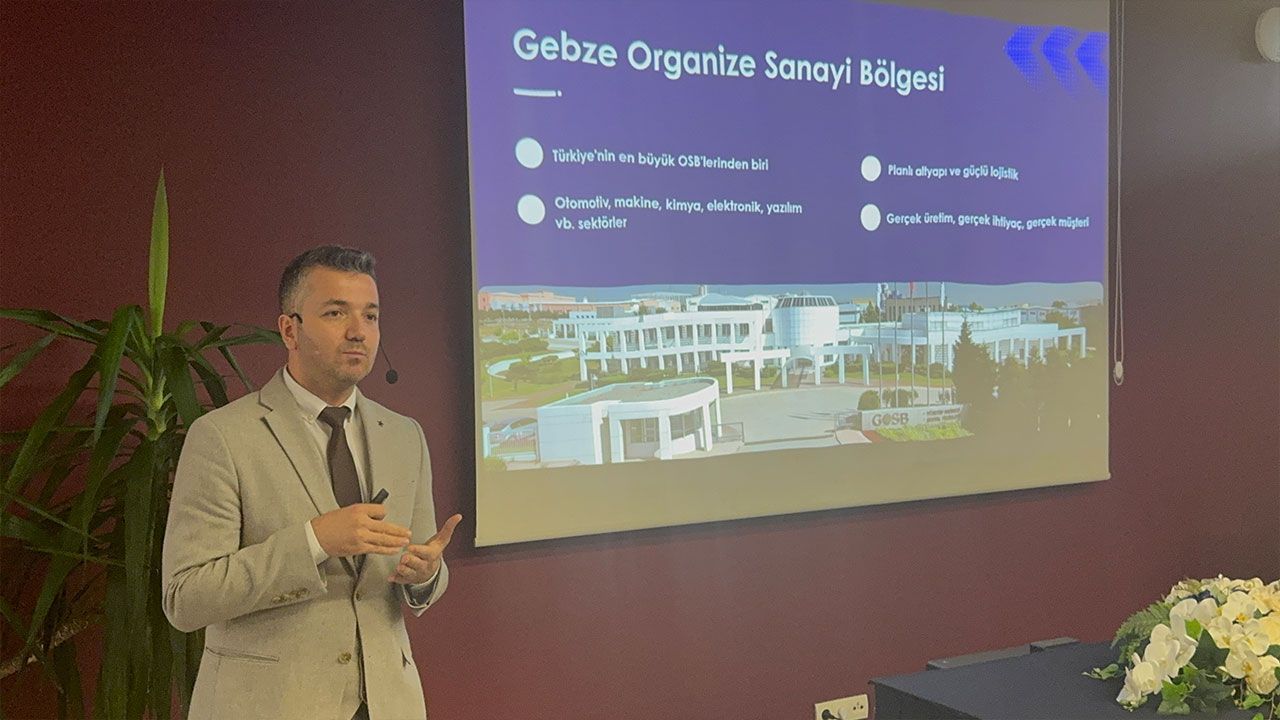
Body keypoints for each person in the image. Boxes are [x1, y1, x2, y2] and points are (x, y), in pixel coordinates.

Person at [161, 245, 461, 720]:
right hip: (271, 705)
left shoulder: (405, 436)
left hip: (389, 703)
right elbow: (186, 598)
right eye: (336, 313)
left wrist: (425, 576)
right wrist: (314, 542)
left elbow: (417, 561)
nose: (358, 331)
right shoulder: (222, 436)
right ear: (290, 329)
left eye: (370, 315)